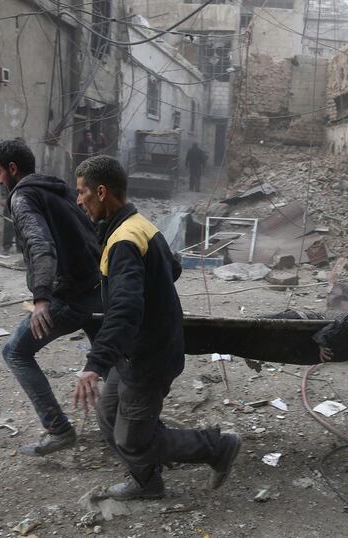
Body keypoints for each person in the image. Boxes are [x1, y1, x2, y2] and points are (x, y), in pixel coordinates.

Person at [72, 155, 241, 500]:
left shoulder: (123, 240)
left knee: (132, 438)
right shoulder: (138, 226)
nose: (78, 200)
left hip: (147, 356)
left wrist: (94, 364)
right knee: (108, 416)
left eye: (82, 192)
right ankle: (146, 481)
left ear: (101, 192)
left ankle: (217, 446)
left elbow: (125, 307)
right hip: (136, 350)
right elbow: (172, 268)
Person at [0, 139, 102, 456]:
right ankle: (130, 425)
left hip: (72, 296)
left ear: (12, 169)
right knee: (111, 359)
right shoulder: (60, 190)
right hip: (99, 289)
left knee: (15, 352)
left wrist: (41, 299)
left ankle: (59, 429)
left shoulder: (23, 197)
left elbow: (40, 246)